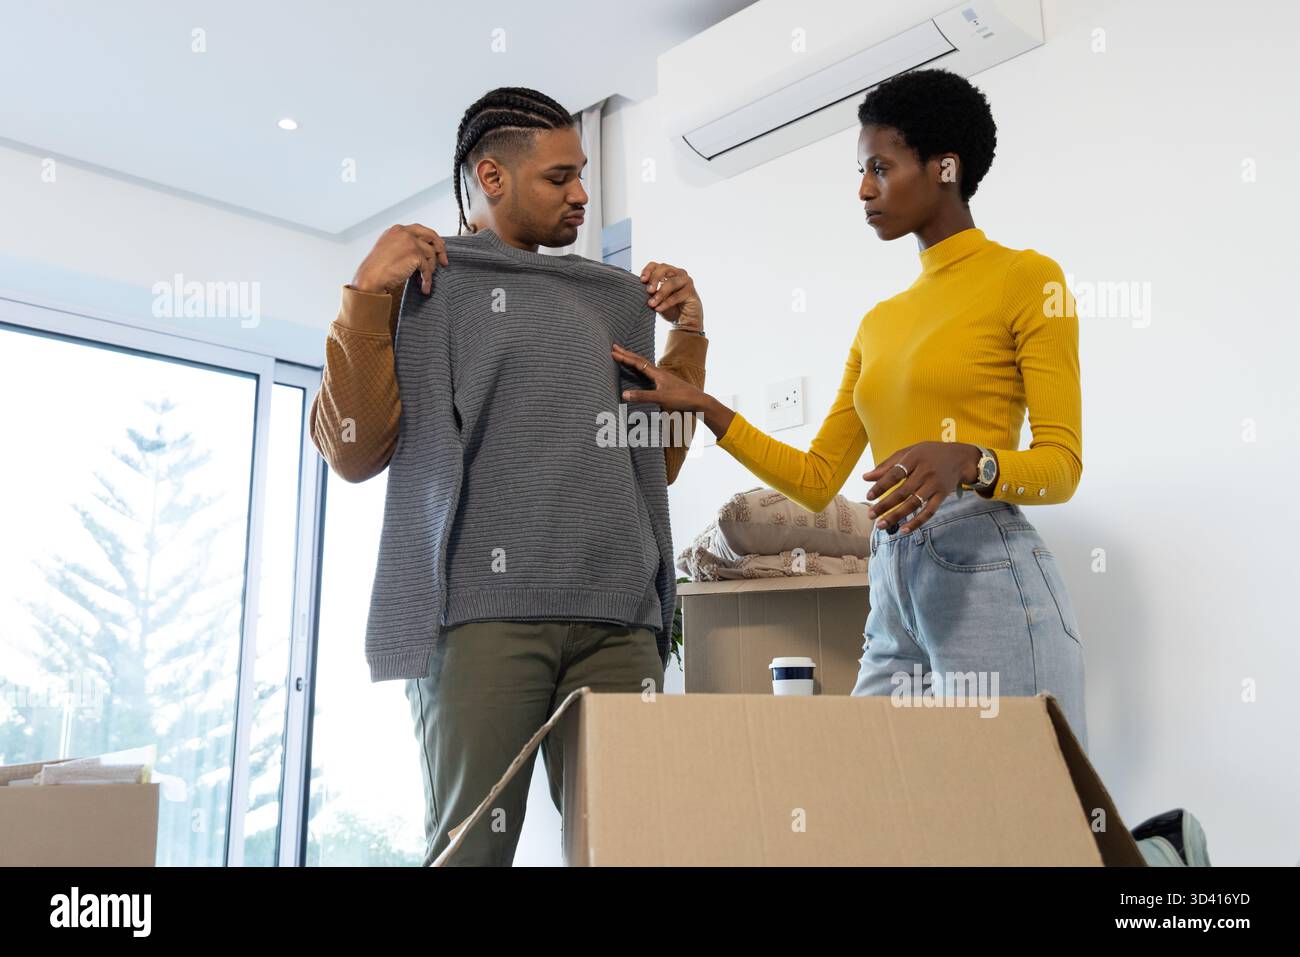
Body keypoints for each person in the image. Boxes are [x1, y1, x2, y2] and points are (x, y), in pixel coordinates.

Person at [612, 68, 1088, 751]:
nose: (864, 189)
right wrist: (710, 409)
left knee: (1020, 819)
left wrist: (970, 460)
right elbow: (816, 478)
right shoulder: (879, 323)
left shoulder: (1027, 278)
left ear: (945, 167)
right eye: (861, 171)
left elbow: (1062, 465)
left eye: (880, 167)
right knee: (871, 787)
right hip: (892, 574)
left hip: (988, 571)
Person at [309, 87, 710, 865]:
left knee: (635, 845)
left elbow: (651, 460)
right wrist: (364, 297)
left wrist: (687, 336)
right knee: (470, 854)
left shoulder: (608, 302)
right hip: (485, 621)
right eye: (560, 177)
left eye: (583, 173)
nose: (582, 194)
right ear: (492, 177)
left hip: (620, 620)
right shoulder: (427, 288)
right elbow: (353, 449)